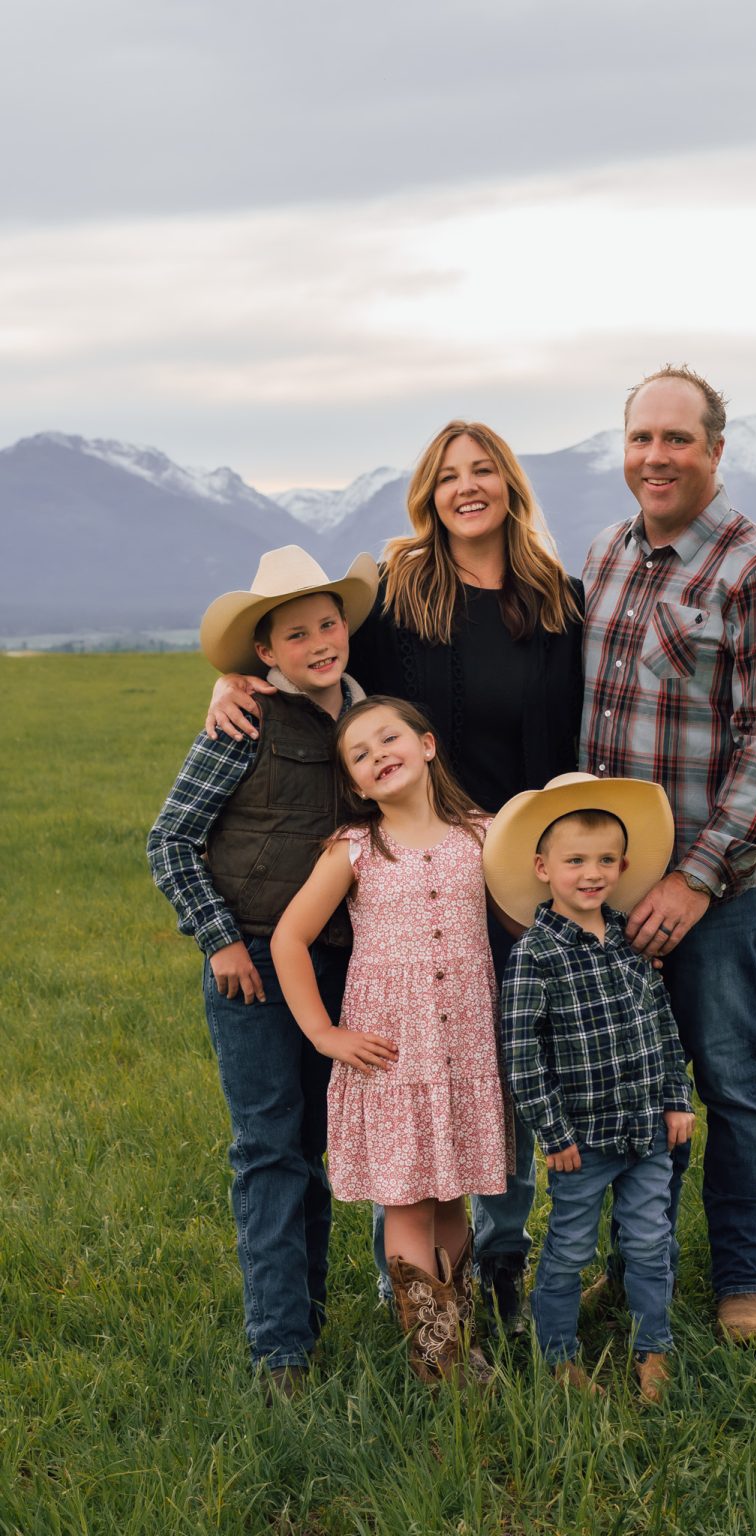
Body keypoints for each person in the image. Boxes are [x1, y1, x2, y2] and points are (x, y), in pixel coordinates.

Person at [207, 420, 584, 1324]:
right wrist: (228, 685)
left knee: (499, 1078)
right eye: (448, 474)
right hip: (404, 858)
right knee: (417, 1091)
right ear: (429, 493)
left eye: (483, 468)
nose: (467, 486)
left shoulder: (556, 597)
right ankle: (414, 1306)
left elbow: (569, 727)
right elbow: (313, 658)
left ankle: (498, 1278)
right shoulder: (402, 590)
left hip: (504, 858)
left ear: (509, 483)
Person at [581, 365, 756, 1349]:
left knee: (728, 1084)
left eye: (677, 439)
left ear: (714, 451)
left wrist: (696, 876)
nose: (656, 457)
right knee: (633, 1087)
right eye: (642, 438)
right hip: (611, 887)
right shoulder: (602, 555)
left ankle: (743, 1288)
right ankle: (638, 1267)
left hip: (718, 894)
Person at [147, 544, 378, 1399]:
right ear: (265, 656)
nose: (319, 641)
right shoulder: (242, 723)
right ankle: (281, 1352)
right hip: (249, 966)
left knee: (314, 1150)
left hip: (340, 967)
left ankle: (305, 1319)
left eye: (329, 624)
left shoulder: (366, 716)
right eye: (296, 634)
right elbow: (169, 839)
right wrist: (218, 939)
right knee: (269, 1149)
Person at [270, 696, 509, 1385]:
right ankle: (435, 1359)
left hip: (464, 1047)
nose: (379, 755)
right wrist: (323, 1032)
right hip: (393, 1053)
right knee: (407, 1199)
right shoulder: (355, 850)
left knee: (453, 1197)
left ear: (428, 745)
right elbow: (290, 937)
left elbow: (535, 910)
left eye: (389, 739)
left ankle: (461, 1337)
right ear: (354, 783)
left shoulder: (486, 835)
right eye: (361, 754)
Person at [483, 772, 694, 1403]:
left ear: (623, 865)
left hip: (646, 1129)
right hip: (582, 1140)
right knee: (569, 1247)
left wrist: (676, 1098)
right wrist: (553, 1133)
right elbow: (522, 1056)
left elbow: (661, 1024)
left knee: (651, 1240)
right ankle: (559, 1356)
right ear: (544, 867)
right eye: (576, 860)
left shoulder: (631, 943)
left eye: (605, 860)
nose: (591, 873)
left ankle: (654, 1348)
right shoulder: (534, 956)